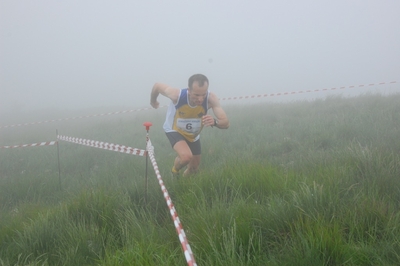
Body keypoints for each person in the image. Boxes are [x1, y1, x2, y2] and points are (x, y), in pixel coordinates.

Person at [150, 74, 229, 177]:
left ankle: (184, 185)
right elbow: (157, 86)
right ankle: (174, 172)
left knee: (194, 168)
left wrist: (215, 122)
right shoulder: (176, 95)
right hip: (174, 129)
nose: (200, 99)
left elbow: (226, 123)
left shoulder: (211, 98)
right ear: (189, 90)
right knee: (186, 157)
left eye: (203, 94)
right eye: (196, 95)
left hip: (193, 134)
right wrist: (153, 101)